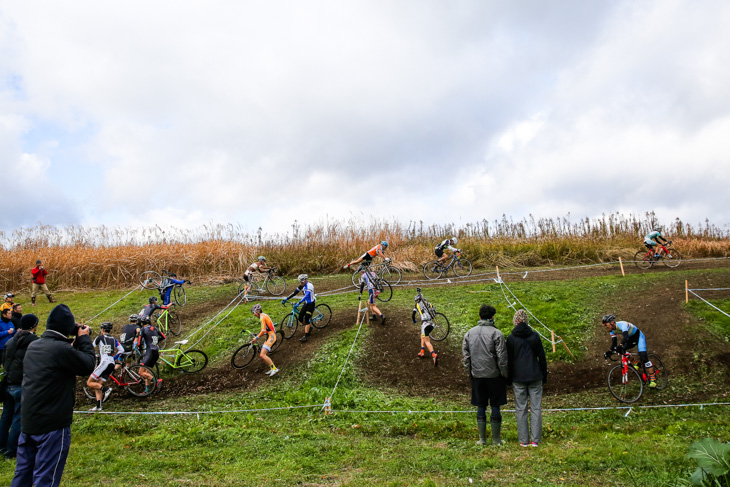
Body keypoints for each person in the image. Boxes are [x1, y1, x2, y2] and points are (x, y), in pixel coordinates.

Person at [11, 304, 95, 487]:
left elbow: (59, 355)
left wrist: (72, 340)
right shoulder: (60, 350)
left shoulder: (35, 346)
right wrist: (84, 340)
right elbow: (87, 364)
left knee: (23, 475)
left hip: (29, 421)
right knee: (46, 478)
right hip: (52, 425)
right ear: (66, 328)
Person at [462, 304, 508, 446]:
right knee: (495, 406)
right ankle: (496, 440)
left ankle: (482, 439)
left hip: (477, 376)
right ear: (492, 317)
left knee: (480, 406)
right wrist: (505, 374)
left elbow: (466, 357)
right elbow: (502, 358)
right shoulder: (497, 334)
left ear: (479, 316)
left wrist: (469, 373)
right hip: (494, 377)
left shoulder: (469, 333)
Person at [0, 314, 40, 459]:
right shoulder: (34, 342)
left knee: (6, 416)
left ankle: (1, 446)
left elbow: (5, 360)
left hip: (8, 382)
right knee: (18, 418)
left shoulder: (11, 341)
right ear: (34, 325)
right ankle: (11, 451)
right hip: (21, 384)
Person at [506, 309, 547, 448]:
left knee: (520, 409)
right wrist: (544, 375)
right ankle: (535, 440)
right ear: (527, 321)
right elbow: (542, 358)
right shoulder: (534, 336)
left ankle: (523, 440)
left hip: (518, 378)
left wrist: (508, 378)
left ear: (515, 322)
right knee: (536, 408)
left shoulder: (511, 339)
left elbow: (508, 361)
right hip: (535, 375)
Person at [601, 313, 657, 387]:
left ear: (612, 322)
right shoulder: (611, 330)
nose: (605, 327)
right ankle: (636, 362)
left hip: (638, 337)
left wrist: (621, 345)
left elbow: (625, 337)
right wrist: (610, 352)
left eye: (605, 324)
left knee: (643, 356)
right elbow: (614, 343)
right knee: (620, 350)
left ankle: (653, 378)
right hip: (630, 339)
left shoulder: (622, 324)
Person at [87, 322, 125, 411]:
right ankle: (99, 406)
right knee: (98, 384)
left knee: (89, 383)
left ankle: (106, 389)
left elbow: (90, 346)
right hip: (111, 363)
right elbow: (122, 350)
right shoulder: (114, 339)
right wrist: (114, 358)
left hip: (104, 362)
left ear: (102, 330)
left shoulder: (99, 338)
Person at [282, 274, 317, 342]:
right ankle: (309, 327)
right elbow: (294, 293)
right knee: (300, 318)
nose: (301, 283)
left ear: (305, 280)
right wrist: (286, 299)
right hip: (306, 303)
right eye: (300, 282)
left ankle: (306, 336)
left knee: (307, 319)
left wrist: (299, 303)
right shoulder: (302, 285)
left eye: (301, 282)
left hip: (311, 303)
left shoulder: (309, 286)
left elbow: (306, 296)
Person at [135, 319, 165, 394]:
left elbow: (139, 342)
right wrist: (155, 342)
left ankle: (157, 381)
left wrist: (139, 347)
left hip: (149, 352)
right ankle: (147, 390)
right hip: (156, 351)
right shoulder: (155, 328)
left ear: (142, 323)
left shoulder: (143, 329)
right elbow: (163, 336)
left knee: (141, 372)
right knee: (146, 372)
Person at [250, 304, 279, 377]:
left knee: (262, 354)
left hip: (271, 336)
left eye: (254, 312)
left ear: (258, 311)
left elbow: (263, 330)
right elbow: (265, 330)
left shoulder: (262, 317)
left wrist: (256, 338)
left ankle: (274, 369)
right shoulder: (263, 315)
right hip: (269, 335)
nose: (254, 314)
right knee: (263, 354)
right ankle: (272, 368)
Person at [412, 288, 437, 365]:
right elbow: (434, 311)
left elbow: (413, 315)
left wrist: (414, 321)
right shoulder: (427, 302)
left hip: (425, 324)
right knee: (422, 336)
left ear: (417, 300)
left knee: (427, 341)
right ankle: (422, 351)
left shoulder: (416, 305)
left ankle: (434, 355)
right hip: (431, 324)